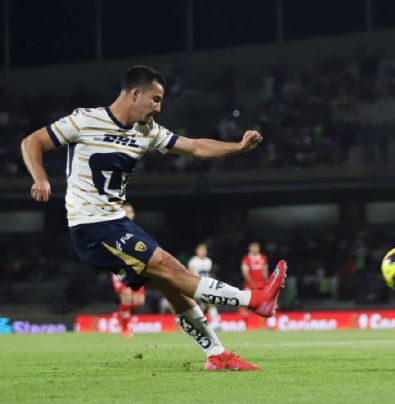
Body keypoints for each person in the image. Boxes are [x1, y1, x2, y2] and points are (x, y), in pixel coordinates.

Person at [20, 65, 287, 371]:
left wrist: (237, 147)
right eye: (156, 99)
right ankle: (254, 300)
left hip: (117, 223)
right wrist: (40, 178)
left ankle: (217, 355)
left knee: (173, 285)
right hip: (91, 228)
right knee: (170, 267)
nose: (159, 108)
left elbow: (196, 147)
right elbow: (32, 142)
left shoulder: (147, 132)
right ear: (135, 94)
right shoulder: (84, 120)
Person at [110, 202, 145, 337]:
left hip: (135, 268)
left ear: (133, 214)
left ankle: (121, 314)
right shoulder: (114, 229)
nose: (127, 214)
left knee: (139, 302)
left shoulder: (137, 231)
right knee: (126, 297)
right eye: (125, 212)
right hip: (119, 267)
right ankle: (125, 328)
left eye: (130, 211)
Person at [187, 242, 220, 329]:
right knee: (197, 305)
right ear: (197, 251)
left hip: (206, 285)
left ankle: (215, 321)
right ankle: (195, 322)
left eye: (204, 250)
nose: (202, 251)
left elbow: (208, 274)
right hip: (195, 285)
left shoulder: (209, 261)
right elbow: (189, 273)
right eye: (200, 250)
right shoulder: (193, 261)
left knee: (210, 303)